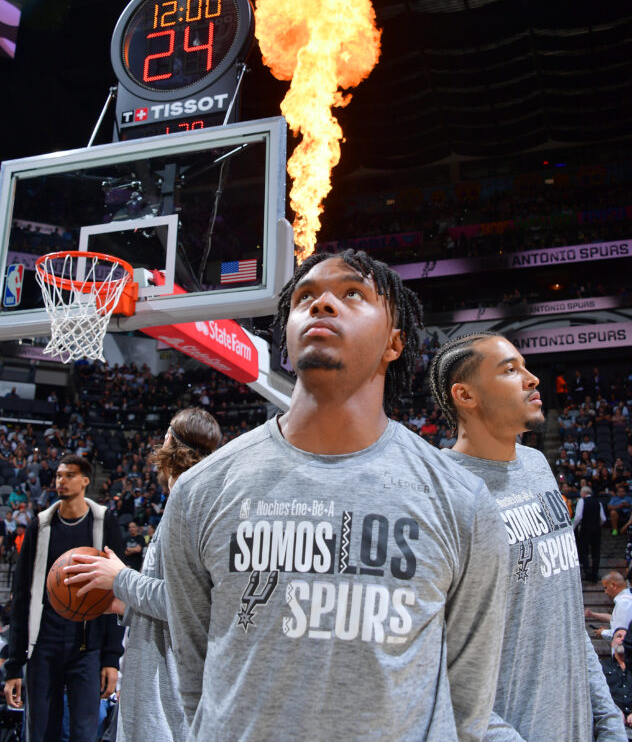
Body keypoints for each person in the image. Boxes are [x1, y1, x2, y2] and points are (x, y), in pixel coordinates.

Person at [158, 250, 509, 741]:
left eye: (352, 293)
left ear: (394, 342)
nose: (322, 304)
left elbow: (468, 706)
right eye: (305, 297)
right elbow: (195, 676)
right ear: (285, 336)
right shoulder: (200, 491)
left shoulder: (462, 502)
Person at [429, 331, 625, 742]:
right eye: (510, 370)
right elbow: (436, 667)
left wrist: (606, 719)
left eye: (525, 366)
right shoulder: (441, 493)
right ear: (466, 395)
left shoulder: (537, 465)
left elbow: (567, 615)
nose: (532, 378)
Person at [64, 408, 222, 742]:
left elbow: (187, 603)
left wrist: (121, 577)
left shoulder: (190, 505)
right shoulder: (187, 503)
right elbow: (175, 603)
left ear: (169, 441)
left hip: (166, 701)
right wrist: (126, 606)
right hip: (151, 689)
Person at [3, 453, 125, 742]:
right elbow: (21, 596)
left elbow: (118, 593)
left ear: (85, 481)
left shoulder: (104, 521)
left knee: (84, 733)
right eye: (58, 475)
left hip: (87, 647)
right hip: (43, 645)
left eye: (69, 475)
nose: (61, 481)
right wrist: (13, 664)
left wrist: (111, 658)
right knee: (41, 733)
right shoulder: (40, 525)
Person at [586, 573, 632, 643]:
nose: (605, 592)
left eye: (606, 588)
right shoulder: (626, 600)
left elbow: (622, 633)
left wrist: (603, 632)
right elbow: (615, 619)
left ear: (613, 585)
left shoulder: (624, 603)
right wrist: (593, 614)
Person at [574, 486, 606, 582]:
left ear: (584, 493)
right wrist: (597, 524)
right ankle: (595, 573)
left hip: (585, 528)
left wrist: (573, 527)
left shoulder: (582, 501)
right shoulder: (598, 502)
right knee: (596, 552)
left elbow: (578, 516)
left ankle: (587, 572)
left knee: (584, 551)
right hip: (596, 529)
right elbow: (603, 518)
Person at [601, 629, 632, 730]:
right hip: (612, 722)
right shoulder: (602, 666)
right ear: (612, 643)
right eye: (619, 636)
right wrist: (614, 710)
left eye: (625, 637)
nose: (622, 639)